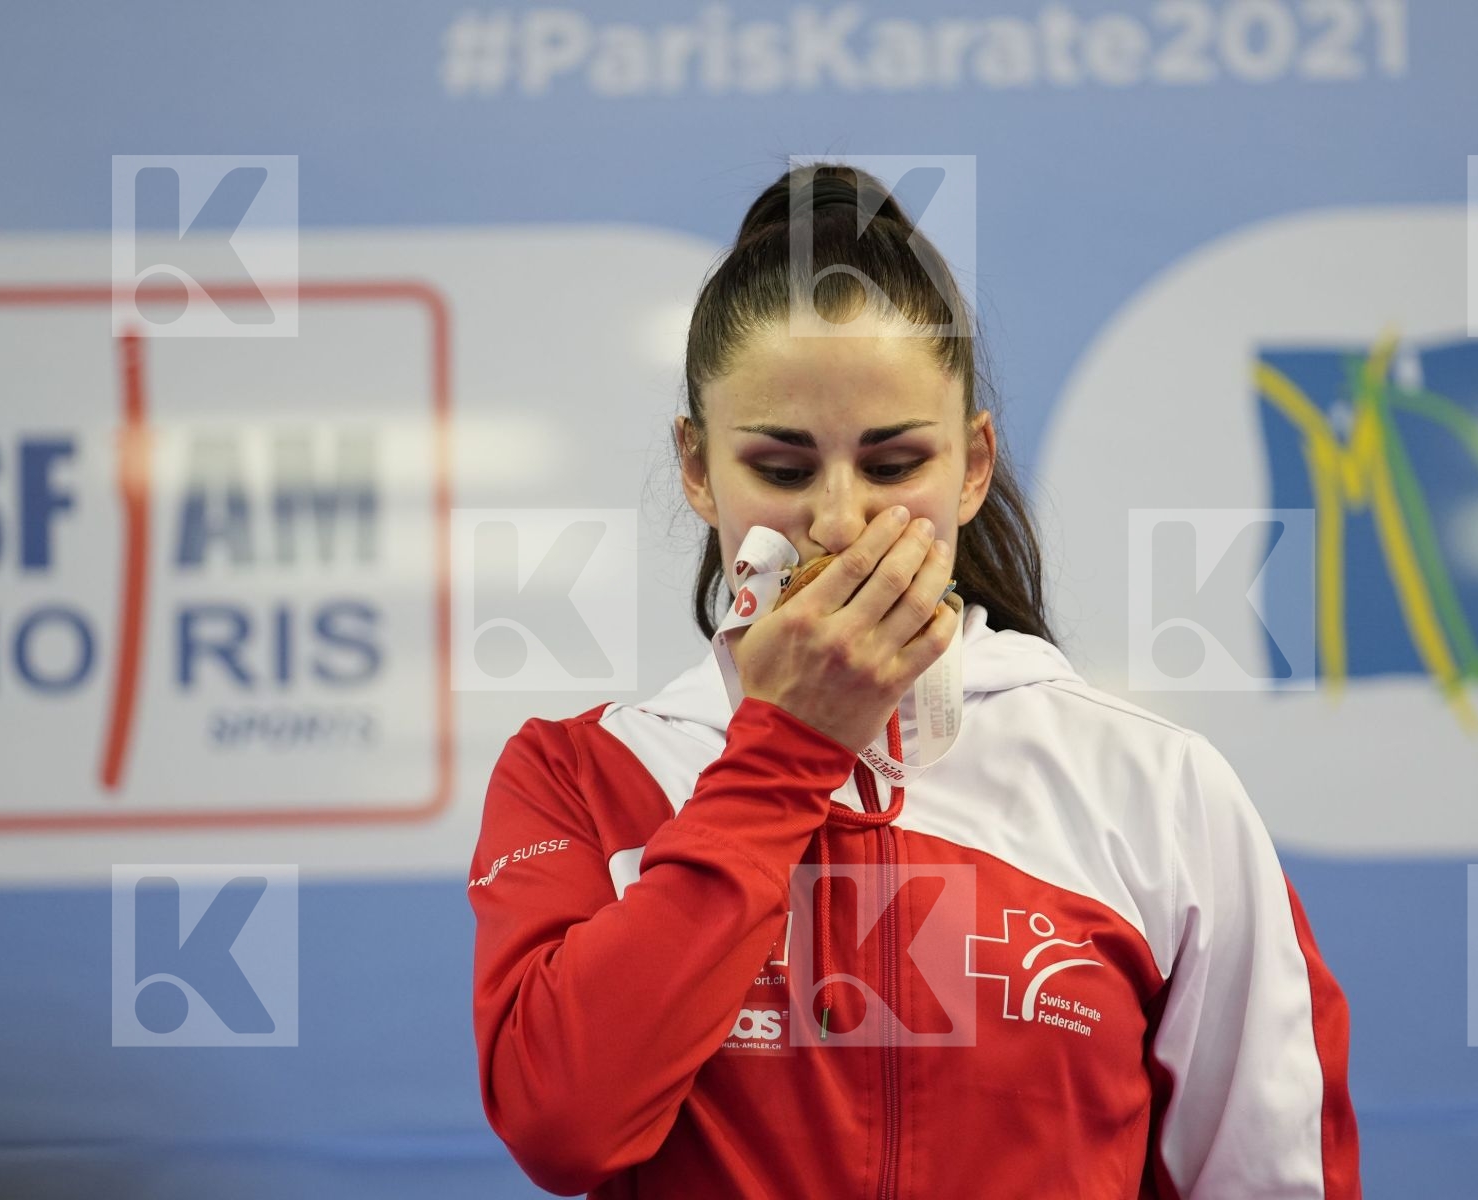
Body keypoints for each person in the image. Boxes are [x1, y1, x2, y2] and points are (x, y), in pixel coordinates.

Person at [468, 161, 1361, 1199]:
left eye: (894, 466)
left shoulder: (1155, 789)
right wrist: (784, 752)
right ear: (698, 467)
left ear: (973, 466)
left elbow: (1272, 1178)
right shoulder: (581, 776)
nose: (840, 520)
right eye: (783, 468)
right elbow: (562, 1125)